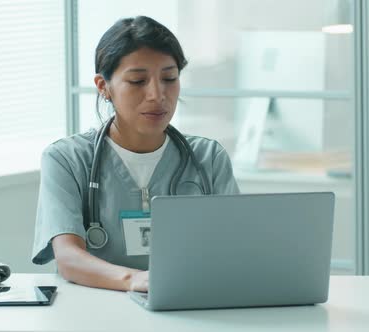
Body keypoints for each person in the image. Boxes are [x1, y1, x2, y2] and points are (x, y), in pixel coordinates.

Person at [31, 16, 240, 292]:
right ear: (104, 87)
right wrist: (136, 280)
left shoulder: (208, 158)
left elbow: (238, 247)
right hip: (95, 311)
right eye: (138, 81)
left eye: (169, 78)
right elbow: (69, 258)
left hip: (187, 307)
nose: (157, 94)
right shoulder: (66, 159)